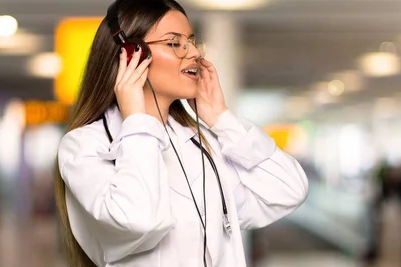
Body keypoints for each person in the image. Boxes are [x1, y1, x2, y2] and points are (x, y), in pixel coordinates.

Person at [54, 0, 309, 266]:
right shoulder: (84, 146)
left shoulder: (202, 144)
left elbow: (289, 190)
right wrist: (138, 122)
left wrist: (221, 118)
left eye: (191, 41)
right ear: (132, 54)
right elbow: (139, 220)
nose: (193, 53)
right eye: (174, 43)